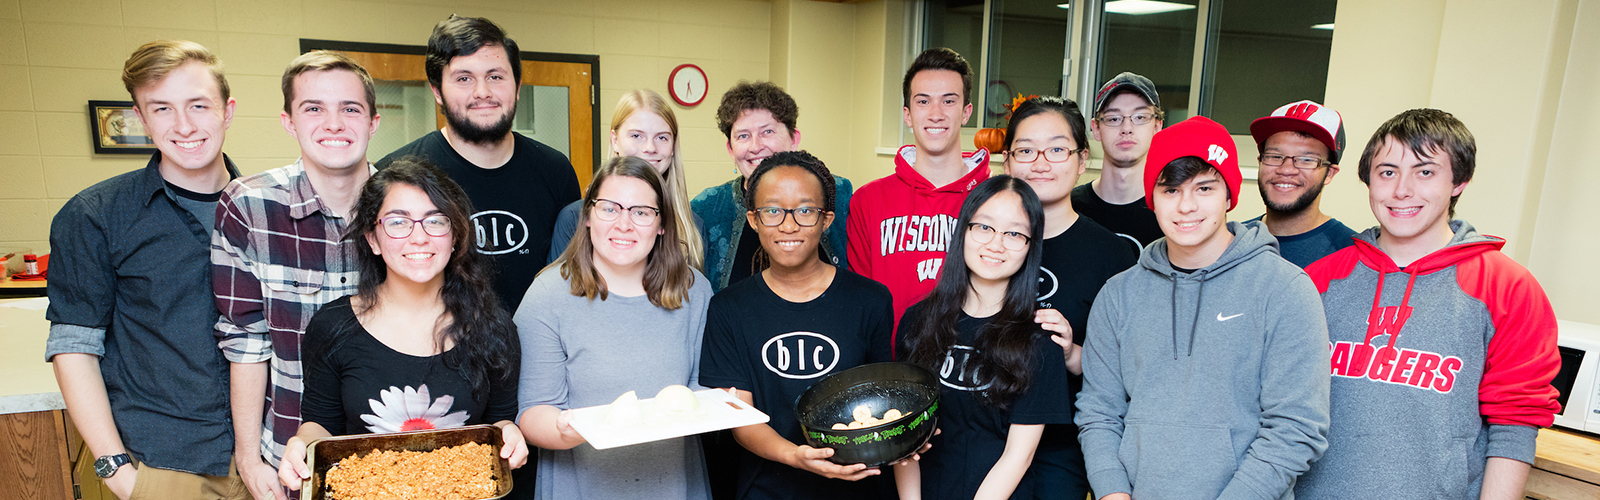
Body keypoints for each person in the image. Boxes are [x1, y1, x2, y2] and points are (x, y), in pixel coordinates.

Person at [1295, 109, 1561, 499]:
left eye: (1425, 172)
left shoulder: (1507, 287)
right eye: (1387, 172)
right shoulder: (1319, 280)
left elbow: (1515, 422)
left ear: (1459, 182)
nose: (1402, 190)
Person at [1074, 116, 1330, 500]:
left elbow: (1296, 428)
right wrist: (1112, 492)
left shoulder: (1285, 289)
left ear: (1229, 196)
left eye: (1205, 188)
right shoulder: (1119, 294)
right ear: (1152, 199)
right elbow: (1098, 411)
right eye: (1171, 190)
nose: (1187, 206)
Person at [45, 40, 246, 499]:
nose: (184, 125)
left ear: (227, 111)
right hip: (160, 465)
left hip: (268, 456)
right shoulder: (95, 215)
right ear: (140, 118)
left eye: (198, 105)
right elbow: (74, 347)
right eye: (162, 108)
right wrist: (118, 471)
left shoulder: (267, 210)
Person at [276, 159, 530, 492]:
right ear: (373, 239)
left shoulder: (494, 327)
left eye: (436, 221)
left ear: (455, 236)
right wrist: (300, 445)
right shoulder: (332, 327)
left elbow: (500, 419)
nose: (419, 237)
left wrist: (509, 434)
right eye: (398, 222)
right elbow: (319, 426)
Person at [211, 50, 376, 499]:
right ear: (289, 121)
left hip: (389, 451)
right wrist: (248, 457)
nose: (334, 123)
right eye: (314, 108)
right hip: (291, 458)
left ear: (373, 122)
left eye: (350, 108)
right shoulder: (249, 205)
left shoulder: (407, 210)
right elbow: (245, 338)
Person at [698, 151, 896, 499]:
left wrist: (908, 435)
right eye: (772, 210)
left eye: (805, 210)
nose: (788, 225)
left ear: (827, 219)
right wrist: (796, 456)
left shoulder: (871, 300)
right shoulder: (728, 308)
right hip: (766, 488)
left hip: (857, 486)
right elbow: (739, 418)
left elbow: (881, 402)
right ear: (754, 219)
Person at [516, 156, 714, 500]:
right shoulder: (547, 295)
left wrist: (725, 400)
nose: (624, 224)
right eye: (610, 208)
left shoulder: (694, 290)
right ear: (589, 216)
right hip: (580, 486)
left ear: (662, 224)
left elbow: (701, 389)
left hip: (674, 485)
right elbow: (533, 412)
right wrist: (567, 429)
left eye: (640, 212)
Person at [377, 15, 581, 310]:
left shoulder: (555, 170)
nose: (482, 92)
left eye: (495, 76)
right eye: (464, 78)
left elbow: (575, 274)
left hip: (537, 351)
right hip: (435, 352)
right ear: (437, 92)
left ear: (518, 85)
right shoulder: (396, 175)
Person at [893, 175, 1072, 500]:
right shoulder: (917, 320)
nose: (996, 244)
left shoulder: (1040, 341)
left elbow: (1019, 456)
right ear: (964, 230)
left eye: (1014, 233)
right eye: (984, 227)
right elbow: (904, 436)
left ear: (1031, 246)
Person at [999, 96, 1138, 500]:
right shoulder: (983, 239)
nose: (1040, 162)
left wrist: (1073, 353)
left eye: (1057, 149)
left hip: (1062, 444)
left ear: (1081, 160)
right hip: (981, 430)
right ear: (1007, 162)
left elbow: (1130, 368)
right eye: (1025, 150)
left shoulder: (1113, 254)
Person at [848, 48, 992, 337]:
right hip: (891, 368)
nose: (936, 114)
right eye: (923, 101)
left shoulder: (994, 200)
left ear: (966, 112)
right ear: (907, 115)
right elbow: (858, 300)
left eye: (948, 101)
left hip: (972, 367)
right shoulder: (868, 200)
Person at [695, 81, 853, 292]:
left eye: (767, 132)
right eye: (743, 136)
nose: (756, 146)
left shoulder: (838, 193)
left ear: (793, 138)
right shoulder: (706, 208)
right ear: (731, 149)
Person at [548, 89, 703, 269]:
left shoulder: (692, 225)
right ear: (615, 140)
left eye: (662, 137)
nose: (649, 147)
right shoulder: (575, 218)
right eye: (636, 136)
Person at [1247, 100, 1357, 267]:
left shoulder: (1352, 256)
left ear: (1329, 173)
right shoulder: (1230, 241)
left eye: (1306, 159)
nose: (1286, 170)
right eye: (1275, 156)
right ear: (1260, 162)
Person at [1071, 72, 1164, 248]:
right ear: (1096, 128)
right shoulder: (1069, 208)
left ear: (1157, 127)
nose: (1126, 128)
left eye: (1140, 117)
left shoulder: (1172, 211)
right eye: (1114, 118)